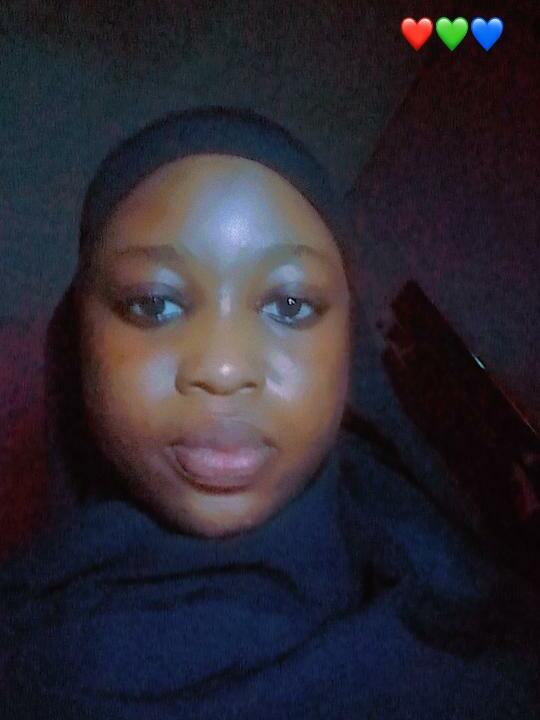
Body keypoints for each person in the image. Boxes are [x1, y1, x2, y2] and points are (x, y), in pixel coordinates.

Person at [0, 107, 538, 719]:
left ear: (348, 345)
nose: (225, 368)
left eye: (289, 304)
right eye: (153, 304)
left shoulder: (477, 632)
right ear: (79, 343)